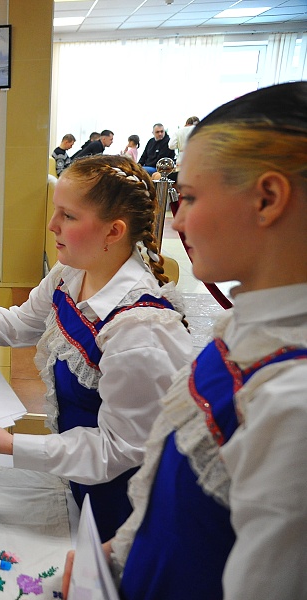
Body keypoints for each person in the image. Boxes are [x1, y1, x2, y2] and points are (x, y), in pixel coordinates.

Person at [62, 81, 307, 600]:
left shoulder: (292, 401)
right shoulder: (243, 330)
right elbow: (168, 497)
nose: (176, 219)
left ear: (267, 199)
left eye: (190, 197)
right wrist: (120, 553)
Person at [0, 154, 192, 542]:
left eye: (68, 216)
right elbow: (20, 323)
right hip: (82, 478)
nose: (52, 225)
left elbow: (118, 450)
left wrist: (13, 445)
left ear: (114, 231)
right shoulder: (73, 272)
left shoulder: (140, 330)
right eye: (56, 211)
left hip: (120, 501)